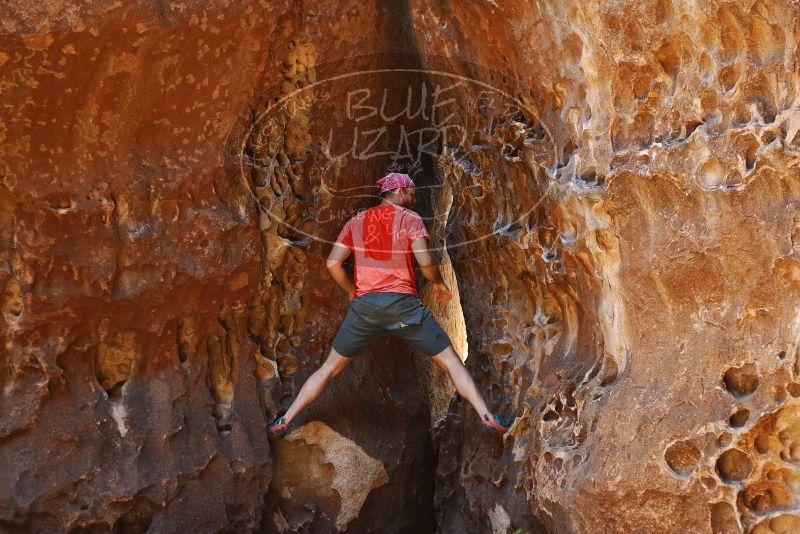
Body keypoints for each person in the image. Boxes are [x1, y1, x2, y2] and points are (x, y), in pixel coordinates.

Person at [268, 172, 508, 438]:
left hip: (365, 309)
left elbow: (332, 263)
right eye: (412, 193)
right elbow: (426, 263)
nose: (414, 199)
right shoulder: (410, 219)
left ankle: (285, 420)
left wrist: (351, 290)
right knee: (452, 363)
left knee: (328, 369)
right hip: (404, 306)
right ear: (400, 191)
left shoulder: (357, 221)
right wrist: (439, 284)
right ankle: (485, 415)